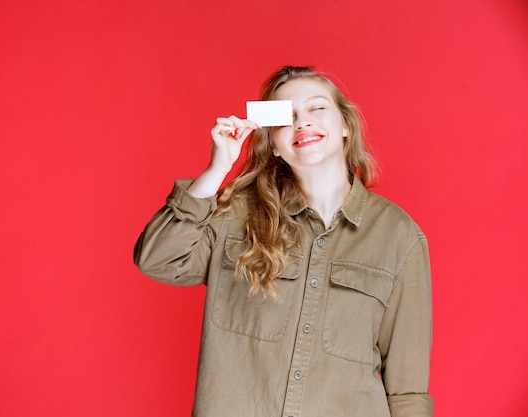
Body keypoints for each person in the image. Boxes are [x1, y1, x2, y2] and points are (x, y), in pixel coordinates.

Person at [133, 66, 433, 417]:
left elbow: (407, 389)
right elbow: (156, 259)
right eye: (287, 116)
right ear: (273, 144)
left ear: (346, 126)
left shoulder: (399, 235)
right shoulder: (236, 215)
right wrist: (216, 171)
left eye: (317, 108)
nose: (303, 121)